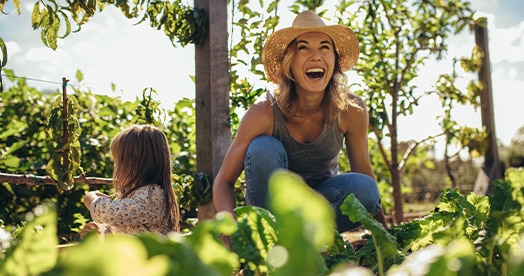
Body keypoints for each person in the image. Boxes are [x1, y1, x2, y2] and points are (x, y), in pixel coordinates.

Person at [213, 10, 388, 240]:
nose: (316, 56)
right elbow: (223, 181)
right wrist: (229, 226)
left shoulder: (350, 110)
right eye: (303, 48)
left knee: (366, 188)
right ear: (290, 63)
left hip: (323, 206)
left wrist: (386, 235)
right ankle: (273, 242)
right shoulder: (263, 112)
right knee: (263, 148)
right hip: (272, 213)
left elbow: (364, 172)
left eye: (324, 47)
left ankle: (305, 241)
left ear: (334, 61)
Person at [82, 125, 180, 237]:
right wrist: (101, 233)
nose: (115, 167)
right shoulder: (134, 196)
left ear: (132, 164)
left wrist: (90, 198)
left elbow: (112, 214)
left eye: (117, 161)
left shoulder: (152, 194)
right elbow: (124, 231)